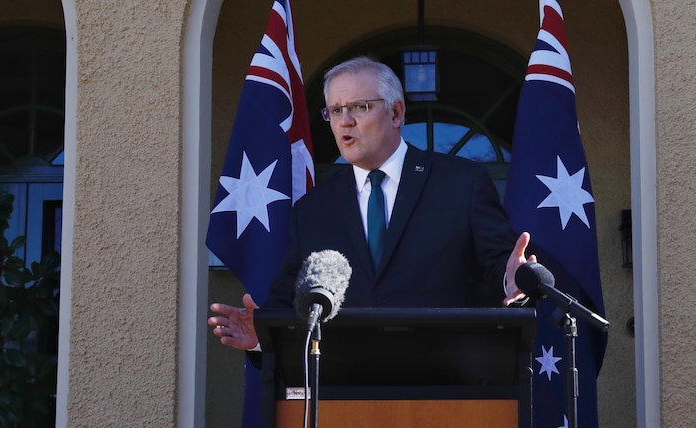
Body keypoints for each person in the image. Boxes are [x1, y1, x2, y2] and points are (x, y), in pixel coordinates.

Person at [209, 56, 535, 348]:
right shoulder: (313, 209)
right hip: (346, 387)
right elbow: (288, 299)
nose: (345, 121)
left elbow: (498, 266)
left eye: (359, 107)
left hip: (446, 379)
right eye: (335, 111)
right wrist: (262, 337)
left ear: (396, 112)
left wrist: (511, 279)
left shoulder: (462, 183)